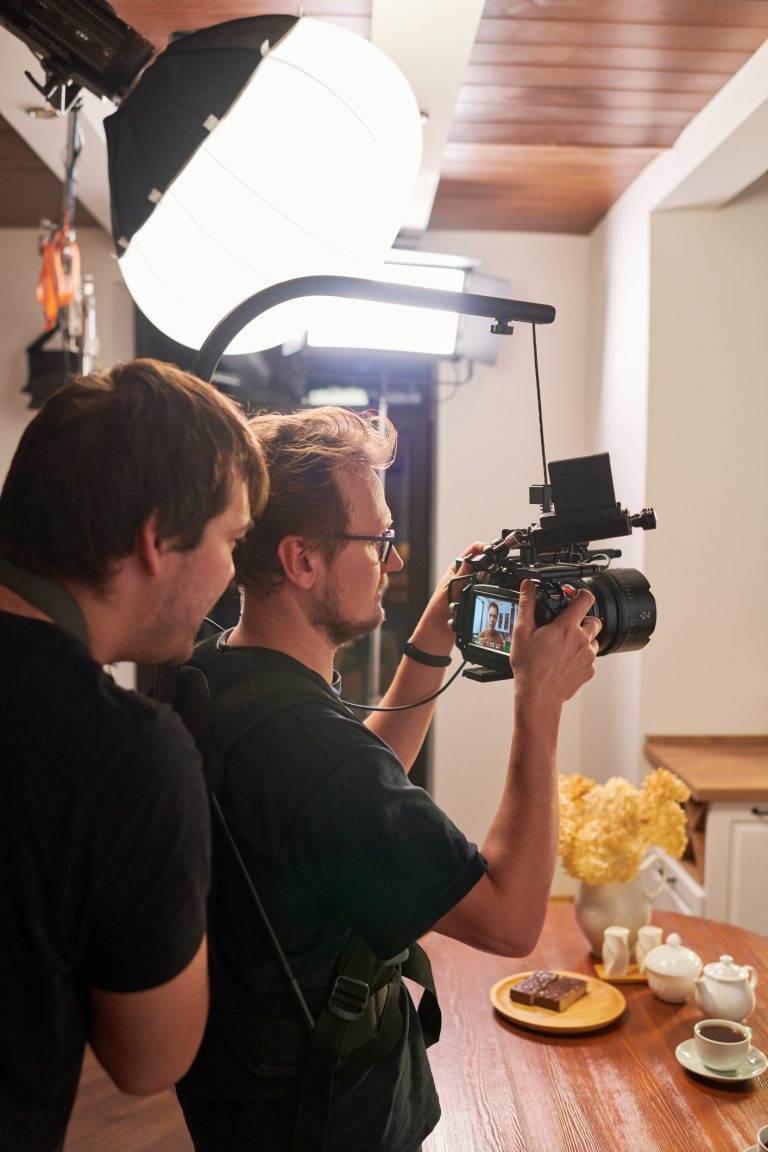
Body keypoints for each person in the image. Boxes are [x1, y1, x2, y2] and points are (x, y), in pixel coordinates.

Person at [175, 406, 601, 1152]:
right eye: (378, 542)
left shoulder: (215, 676)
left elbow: (339, 807)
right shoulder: (317, 759)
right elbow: (510, 920)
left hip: (245, 1097)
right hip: (329, 1117)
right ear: (302, 560)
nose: (395, 563)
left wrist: (432, 638)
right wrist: (539, 708)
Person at [0, 359, 267, 1152]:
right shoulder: (128, 757)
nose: (230, 574)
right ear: (156, 538)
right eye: (232, 540)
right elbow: (150, 1059)